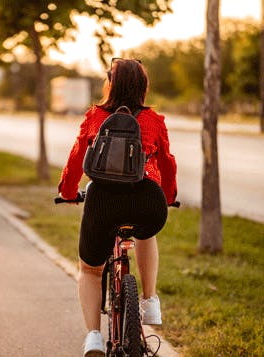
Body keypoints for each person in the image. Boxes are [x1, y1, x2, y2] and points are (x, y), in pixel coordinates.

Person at [57, 58, 177, 357]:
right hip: (147, 200)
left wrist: (69, 192)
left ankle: (94, 337)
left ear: (110, 83)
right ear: (143, 86)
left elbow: (76, 160)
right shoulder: (153, 120)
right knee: (146, 232)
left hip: (103, 200)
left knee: (90, 270)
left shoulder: (95, 117)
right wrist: (168, 195)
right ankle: (150, 303)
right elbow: (167, 164)